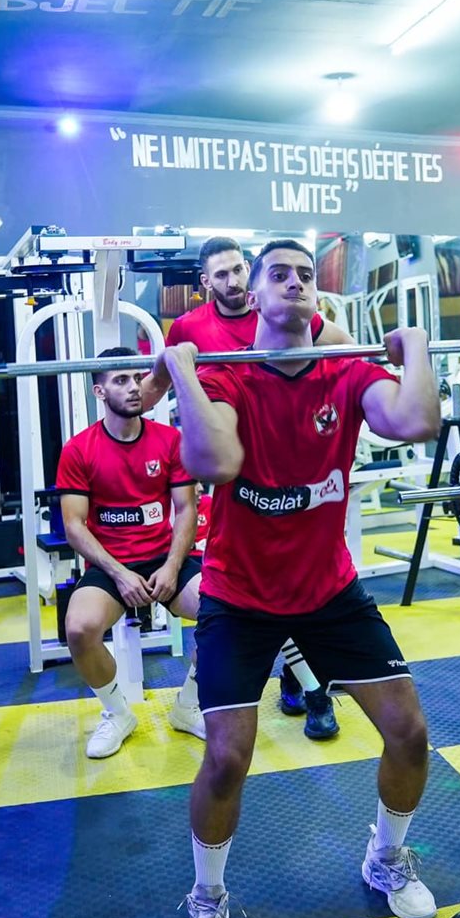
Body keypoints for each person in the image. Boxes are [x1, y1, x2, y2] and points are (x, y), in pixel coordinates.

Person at [155, 239, 441, 918]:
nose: (295, 283)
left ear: (319, 296)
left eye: (306, 275)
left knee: (409, 732)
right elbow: (215, 462)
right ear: (253, 295)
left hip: (328, 591)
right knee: (227, 758)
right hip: (238, 595)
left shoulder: (346, 370)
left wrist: (415, 345)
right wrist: (183, 371)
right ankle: (207, 896)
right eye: (277, 274)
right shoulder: (228, 376)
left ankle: (386, 857)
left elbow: (414, 421)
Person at [142, 235, 354, 740]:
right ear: (205, 283)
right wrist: (151, 382)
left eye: (239, 270)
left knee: (303, 571)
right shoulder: (190, 328)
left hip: (293, 452)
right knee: (251, 577)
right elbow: (154, 390)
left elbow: (347, 350)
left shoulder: (285, 306)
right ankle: (302, 684)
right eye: (222, 275)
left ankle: (303, 682)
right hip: (233, 455)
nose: (233, 281)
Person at [56, 346, 205, 758]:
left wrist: (173, 566)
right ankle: (118, 713)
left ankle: (188, 705)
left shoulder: (169, 440)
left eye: (137, 378)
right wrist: (120, 574)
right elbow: (74, 526)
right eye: (120, 380)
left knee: (225, 612)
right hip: (111, 565)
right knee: (79, 629)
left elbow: (186, 510)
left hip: (164, 558)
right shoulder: (79, 449)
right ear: (99, 392)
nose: (134, 387)